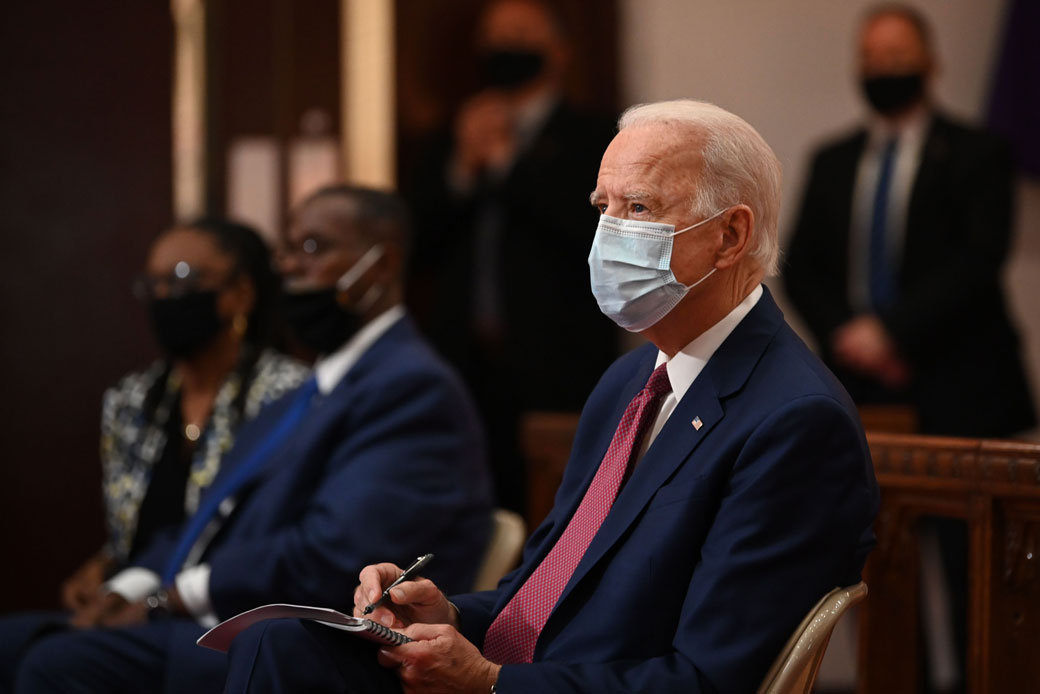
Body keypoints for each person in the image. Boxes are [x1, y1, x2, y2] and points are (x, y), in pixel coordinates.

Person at [220, 100, 880, 694]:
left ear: (730, 237)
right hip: (537, 675)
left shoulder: (795, 421)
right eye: (603, 208)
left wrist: (488, 684)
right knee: (282, 643)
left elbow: (708, 679)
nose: (610, 233)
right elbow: (541, 598)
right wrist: (443, 616)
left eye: (639, 208)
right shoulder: (630, 380)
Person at [6, 186, 494, 693]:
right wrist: (126, 586)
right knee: (13, 643)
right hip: (225, 618)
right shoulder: (314, 388)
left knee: (59, 664)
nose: (286, 267)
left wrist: (166, 599)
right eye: (285, 250)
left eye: (311, 248)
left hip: (296, 643)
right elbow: (207, 520)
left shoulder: (410, 387)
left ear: (382, 263)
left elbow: (334, 557)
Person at [0, 218, 308, 686]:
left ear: (239, 294)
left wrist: (145, 596)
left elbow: (251, 528)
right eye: (154, 284)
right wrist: (105, 570)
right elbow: (140, 526)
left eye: (183, 279)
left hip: (210, 607)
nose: (166, 296)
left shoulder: (284, 395)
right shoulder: (130, 400)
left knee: (51, 664)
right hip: (132, 594)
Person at [784, 4, 1036, 439]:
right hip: (856, 381)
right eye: (870, 58)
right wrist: (849, 336)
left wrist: (890, 332)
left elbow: (979, 259)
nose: (883, 69)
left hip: (961, 382)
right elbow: (800, 264)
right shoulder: (831, 161)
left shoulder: (980, 153)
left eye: (897, 57)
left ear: (930, 62)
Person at [405, 0, 618, 512]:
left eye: (520, 34)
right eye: (493, 38)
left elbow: (588, 232)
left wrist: (506, 166)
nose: (504, 48)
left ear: (560, 51)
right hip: (464, 363)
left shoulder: (595, 137)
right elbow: (416, 245)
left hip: (559, 362)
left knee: (560, 509)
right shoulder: (449, 137)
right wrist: (461, 167)